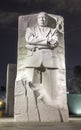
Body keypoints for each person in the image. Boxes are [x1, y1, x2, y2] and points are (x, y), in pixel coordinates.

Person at [25, 12, 59, 101]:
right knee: (31, 84)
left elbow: (55, 43)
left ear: (47, 20)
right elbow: (29, 40)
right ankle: (32, 103)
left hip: (49, 59)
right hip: (34, 58)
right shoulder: (30, 29)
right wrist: (47, 41)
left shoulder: (53, 31)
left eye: (44, 18)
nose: (42, 20)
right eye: (40, 18)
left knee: (51, 86)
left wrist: (37, 44)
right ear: (37, 19)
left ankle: (50, 103)